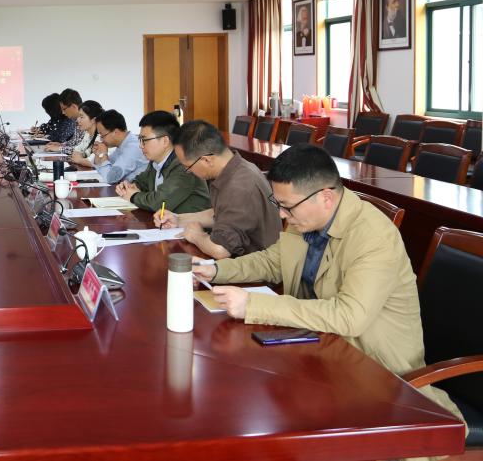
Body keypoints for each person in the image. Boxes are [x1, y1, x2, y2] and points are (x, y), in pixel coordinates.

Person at [192, 144, 462, 421]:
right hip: (319, 351)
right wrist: (215, 270)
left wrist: (253, 305)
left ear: (326, 198)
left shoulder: (374, 237)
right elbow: (273, 262)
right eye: (278, 204)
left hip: (380, 375)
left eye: (287, 206)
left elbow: (349, 316)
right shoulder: (305, 218)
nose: (282, 215)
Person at [156, 120, 279, 259]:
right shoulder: (236, 167)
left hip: (253, 267)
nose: (188, 171)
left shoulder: (239, 187)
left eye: (187, 167)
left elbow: (220, 249)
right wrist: (178, 219)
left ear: (206, 160)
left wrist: (197, 236)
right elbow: (221, 213)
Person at [115, 110, 210, 214]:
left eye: (145, 140)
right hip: (164, 221)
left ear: (165, 141)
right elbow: (141, 182)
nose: (141, 146)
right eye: (140, 140)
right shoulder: (155, 162)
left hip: (190, 223)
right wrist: (128, 186)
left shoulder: (184, 165)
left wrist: (133, 196)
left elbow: (160, 203)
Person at [92, 109, 148, 183]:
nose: (101, 139)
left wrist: (104, 154)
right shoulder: (122, 145)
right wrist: (98, 155)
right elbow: (105, 167)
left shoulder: (133, 148)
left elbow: (110, 178)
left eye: (102, 135)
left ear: (115, 132)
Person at [68, 100, 103, 168]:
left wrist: (79, 160)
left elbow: (93, 162)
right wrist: (82, 160)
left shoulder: (101, 136)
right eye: (78, 117)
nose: (77, 120)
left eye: (81, 117)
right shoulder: (87, 134)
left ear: (93, 120)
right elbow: (75, 152)